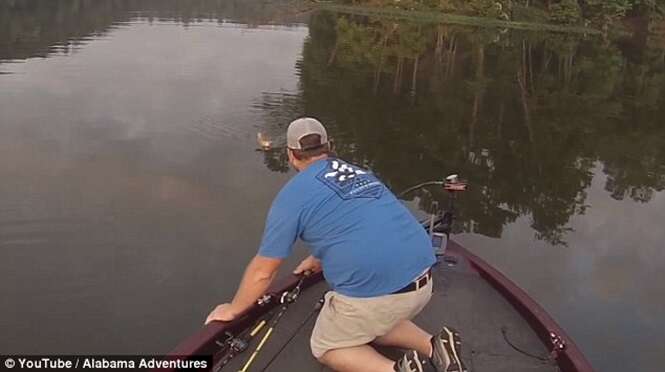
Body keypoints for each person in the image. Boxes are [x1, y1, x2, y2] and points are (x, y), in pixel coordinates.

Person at [205, 118, 466, 372]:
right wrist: (319, 256)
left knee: (328, 348)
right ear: (329, 146)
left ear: (291, 154)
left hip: (380, 293)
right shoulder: (360, 172)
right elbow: (359, 221)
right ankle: (435, 345)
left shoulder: (291, 197)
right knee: (376, 320)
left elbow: (264, 271)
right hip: (424, 276)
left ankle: (398, 369)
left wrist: (234, 309)